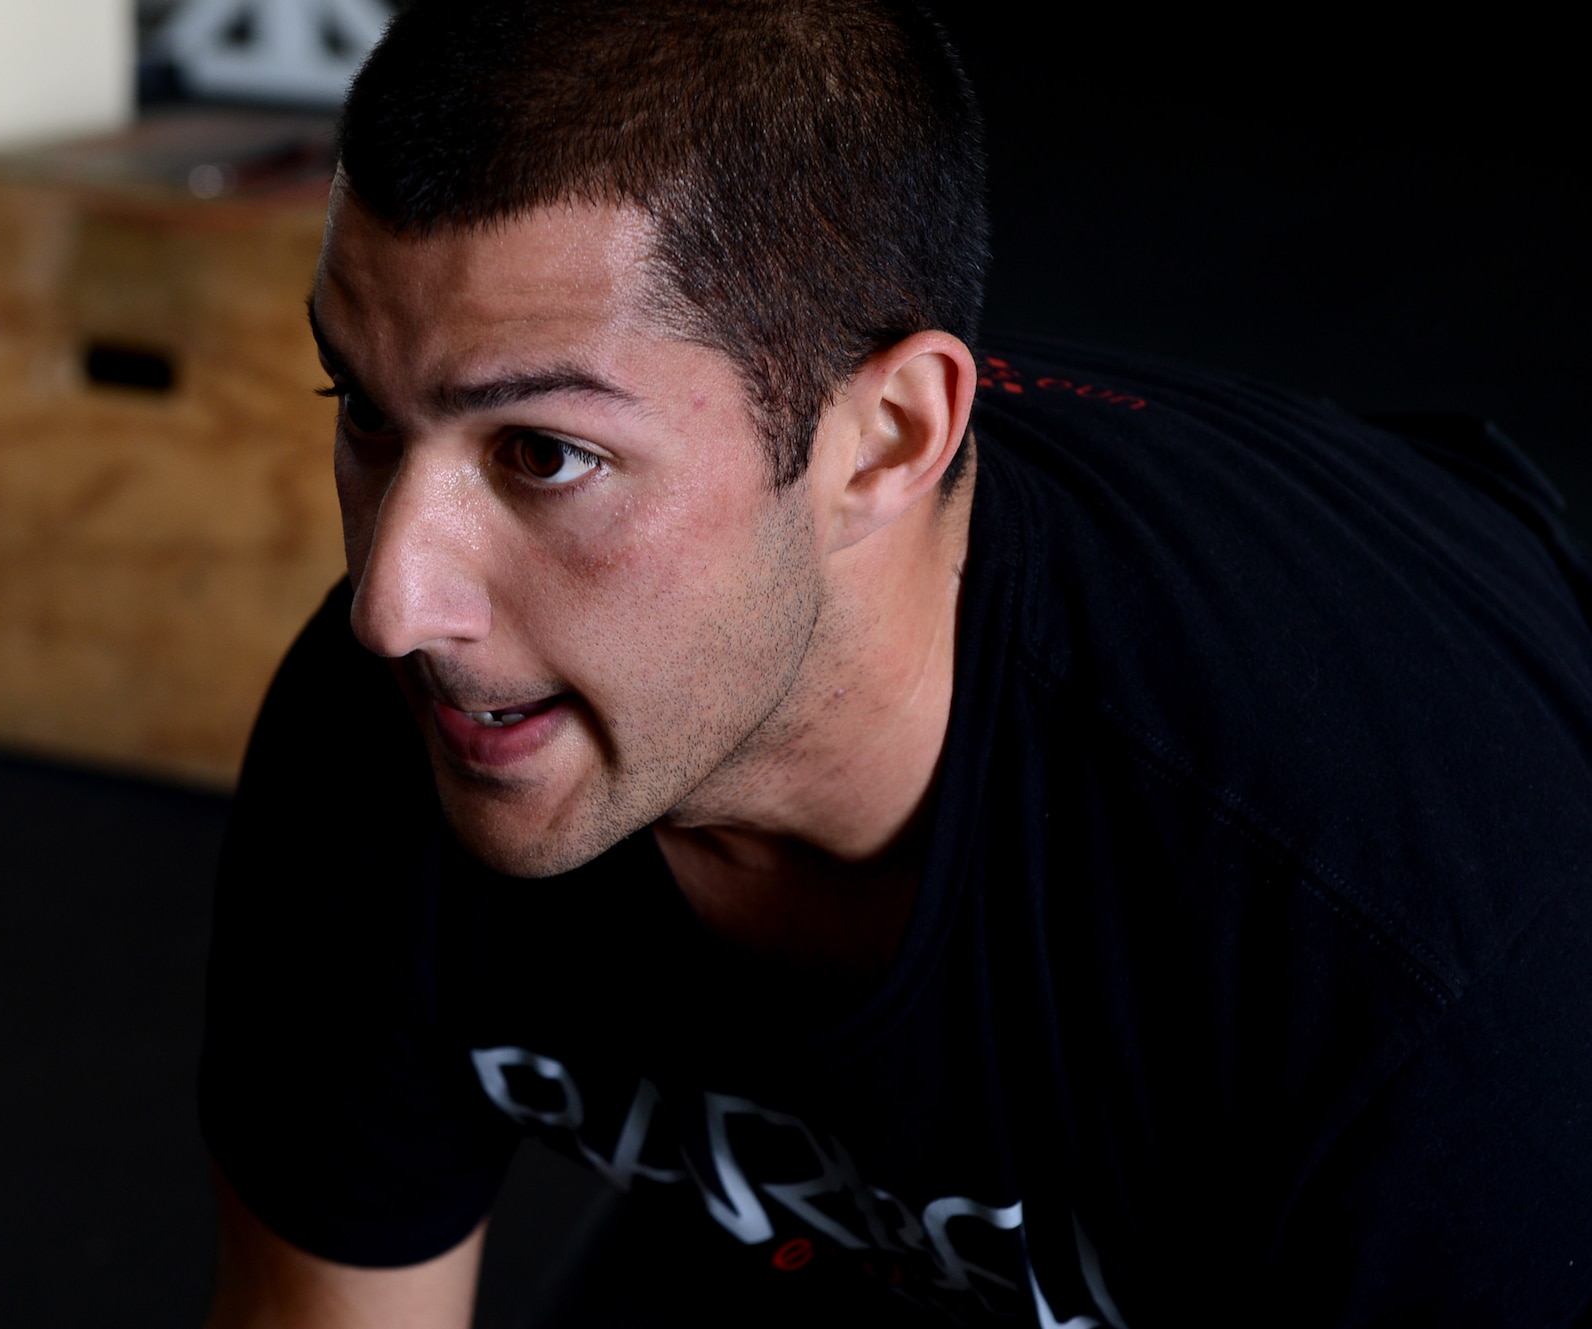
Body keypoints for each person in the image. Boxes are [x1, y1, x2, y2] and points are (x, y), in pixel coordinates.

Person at [197, 2, 1592, 1325]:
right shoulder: (408, 716)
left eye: (544, 454)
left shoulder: (1402, 956)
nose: (394, 599)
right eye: (366, 415)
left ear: (886, 441)